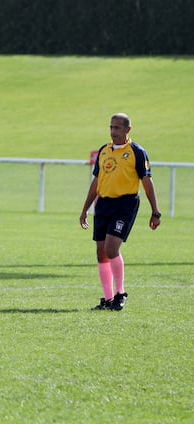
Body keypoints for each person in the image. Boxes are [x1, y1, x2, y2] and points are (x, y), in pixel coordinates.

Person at [80, 113, 161, 311]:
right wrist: (85, 209)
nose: (113, 131)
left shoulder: (137, 152)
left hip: (125, 204)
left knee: (111, 249)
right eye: (111, 127)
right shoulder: (104, 150)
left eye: (117, 128)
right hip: (103, 204)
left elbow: (147, 182)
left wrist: (155, 212)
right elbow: (97, 181)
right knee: (100, 253)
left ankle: (120, 294)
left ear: (127, 130)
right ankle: (107, 299)